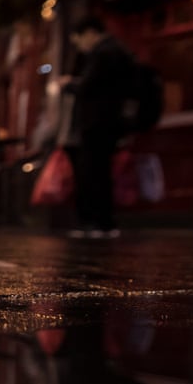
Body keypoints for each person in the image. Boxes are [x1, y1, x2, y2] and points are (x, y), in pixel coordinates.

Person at [61, 16, 134, 238]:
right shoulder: (115, 51)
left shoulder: (104, 53)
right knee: (97, 171)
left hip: (98, 123)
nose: (80, 47)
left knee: (94, 172)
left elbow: (89, 86)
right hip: (106, 123)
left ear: (90, 33)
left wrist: (69, 84)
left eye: (80, 40)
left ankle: (98, 222)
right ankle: (101, 222)